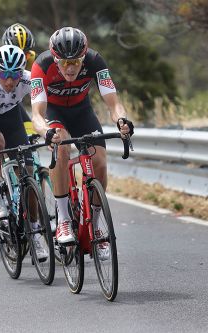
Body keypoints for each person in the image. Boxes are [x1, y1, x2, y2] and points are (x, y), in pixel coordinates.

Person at [30, 27, 134, 249]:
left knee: (99, 163)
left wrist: (122, 121)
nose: (70, 68)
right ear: (55, 59)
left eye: (76, 62)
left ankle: (95, 226)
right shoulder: (41, 65)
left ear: (83, 57)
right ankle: (64, 220)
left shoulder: (95, 61)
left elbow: (114, 103)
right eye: (64, 63)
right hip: (54, 113)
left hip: (82, 112)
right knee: (62, 148)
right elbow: (37, 114)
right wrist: (45, 132)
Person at [0, 45, 47, 260]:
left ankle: (34, 232)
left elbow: (42, 108)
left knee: (29, 174)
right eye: (4, 74)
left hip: (13, 118)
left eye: (14, 75)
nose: (9, 80)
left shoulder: (27, 79)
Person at [0, 23, 36, 135]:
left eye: (26, 53)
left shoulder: (31, 57)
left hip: (12, 100)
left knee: (32, 134)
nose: (20, 57)